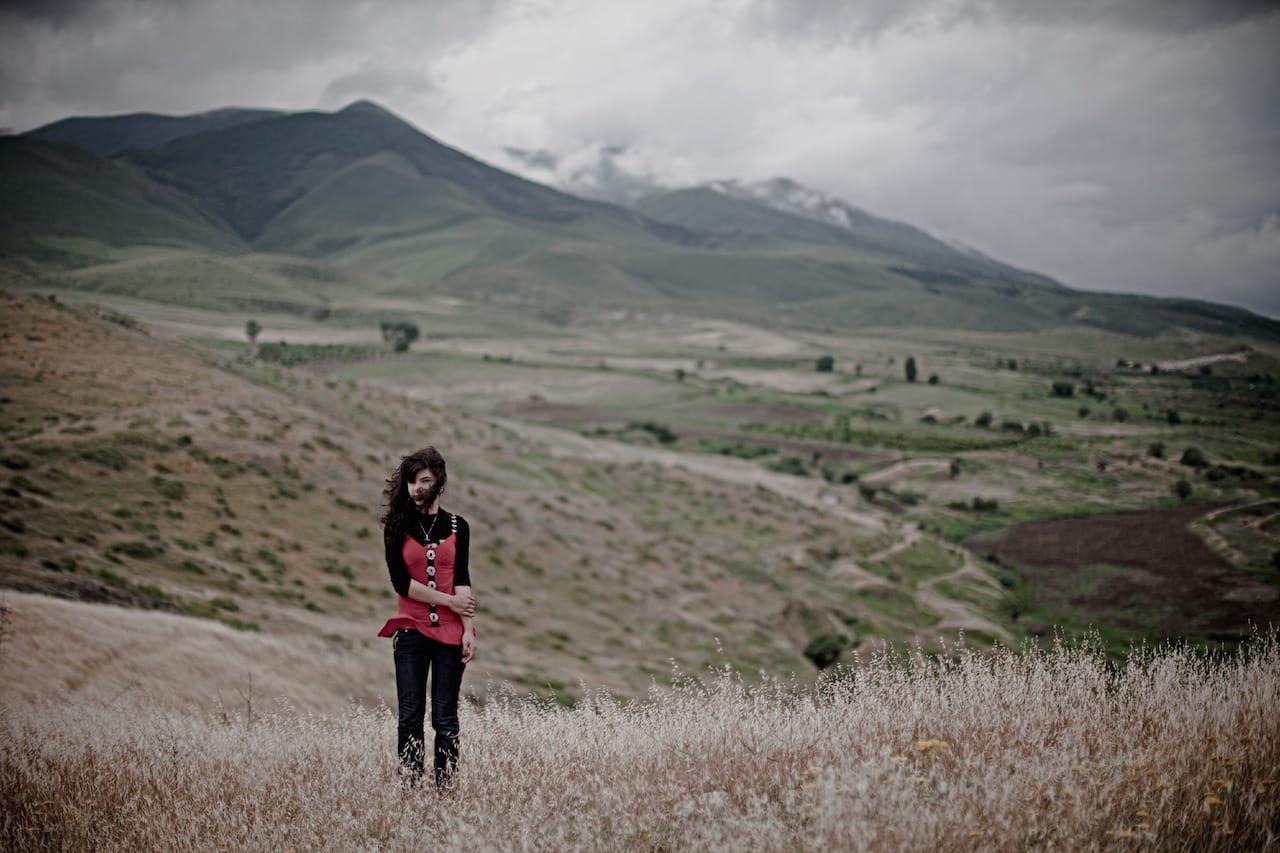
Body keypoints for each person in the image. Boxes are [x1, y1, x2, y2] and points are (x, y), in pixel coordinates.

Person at [377, 447, 476, 788]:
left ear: (440, 482)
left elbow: (462, 578)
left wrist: (468, 629)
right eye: (411, 482)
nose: (416, 488)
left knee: (446, 719)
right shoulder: (396, 526)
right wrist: (448, 600)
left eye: (424, 481)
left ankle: (445, 788)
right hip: (410, 630)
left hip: (450, 632)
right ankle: (410, 787)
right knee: (410, 717)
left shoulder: (457, 526)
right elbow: (402, 584)